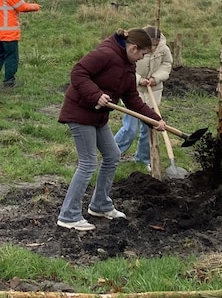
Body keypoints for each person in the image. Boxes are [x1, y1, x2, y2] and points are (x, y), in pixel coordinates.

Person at [56, 27, 167, 231]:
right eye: (142, 54)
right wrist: (96, 94)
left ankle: (100, 205)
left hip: (97, 116)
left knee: (113, 155)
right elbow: (78, 72)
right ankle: (69, 215)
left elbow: (132, 99)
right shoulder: (106, 54)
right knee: (88, 162)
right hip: (80, 112)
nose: (142, 58)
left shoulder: (128, 64)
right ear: (133, 48)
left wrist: (155, 120)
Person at [113, 26, 173, 169]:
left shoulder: (164, 49)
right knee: (130, 128)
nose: (153, 47)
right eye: (151, 44)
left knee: (149, 129)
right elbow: (125, 66)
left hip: (153, 91)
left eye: (156, 43)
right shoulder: (134, 47)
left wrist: (155, 78)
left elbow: (167, 64)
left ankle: (142, 160)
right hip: (133, 91)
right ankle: (113, 153)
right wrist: (138, 79)